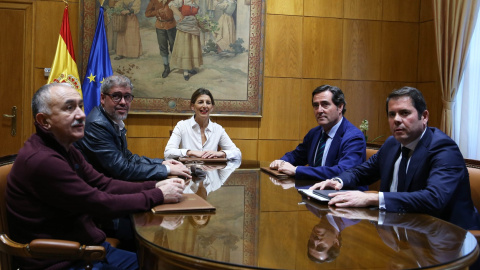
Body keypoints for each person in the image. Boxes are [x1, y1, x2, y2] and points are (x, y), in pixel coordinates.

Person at [6, 83, 185, 270]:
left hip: (89, 249)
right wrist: (157, 195)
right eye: (69, 108)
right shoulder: (43, 160)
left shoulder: (65, 147)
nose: (81, 115)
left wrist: (154, 186)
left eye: (80, 106)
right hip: (67, 259)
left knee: (161, 263)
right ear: (44, 121)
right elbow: (99, 202)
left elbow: (104, 184)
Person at [310, 86, 480, 230]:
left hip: (447, 239)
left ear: (425, 116)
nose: (397, 120)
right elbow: (363, 172)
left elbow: (434, 198)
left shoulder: (443, 148)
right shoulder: (392, 144)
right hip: (403, 232)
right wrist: (338, 181)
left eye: (404, 113)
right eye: (392, 114)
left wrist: (373, 197)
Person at [75, 75, 191, 181]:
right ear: (102, 98)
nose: (123, 102)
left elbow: (128, 158)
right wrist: (167, 170)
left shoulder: (111, 121)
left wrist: (163, 163)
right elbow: (122, 169)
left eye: (127, 97)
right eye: (116, 96)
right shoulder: (97, 124)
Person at [269, 85, 366, 185]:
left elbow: (343, 171)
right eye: (316, 105)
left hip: (343, 195)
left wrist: (297, 170)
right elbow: (297, 155)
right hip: (314, 190)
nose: (319, 110)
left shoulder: (354, 137)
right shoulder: (314, 133)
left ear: (340, 107)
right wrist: (281, 162)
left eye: (325, 105)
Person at [164, 88, 242, 160]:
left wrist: (220, 153)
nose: (205, 106)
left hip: (212, 172)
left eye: (208, 103)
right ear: (192, 106)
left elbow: (237, 153)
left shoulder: (218, 129)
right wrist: (190, 152)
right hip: (188, 172)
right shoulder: (182, 126)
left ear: (212, 107)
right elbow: (168, 153)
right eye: (200, 102)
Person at [168, 0, 203, 81]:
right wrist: (181, 16)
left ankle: (190, 67)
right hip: (184, 28)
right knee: (185, 50)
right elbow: (171, 5)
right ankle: (185, 70)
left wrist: (203, 25)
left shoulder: (195, 4)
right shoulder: (182, 1)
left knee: (192, 49)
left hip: (193, 28)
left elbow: (198, 17)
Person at [145, 0, 176, 78]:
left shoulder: (171, 1)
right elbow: (147, 13)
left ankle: (180, 65)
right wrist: (157, 12)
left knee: (174, 46)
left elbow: (180, 8)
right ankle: (166, 67)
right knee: (163, 46)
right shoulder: (154, 1)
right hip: (160, 26)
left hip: (171, 25)